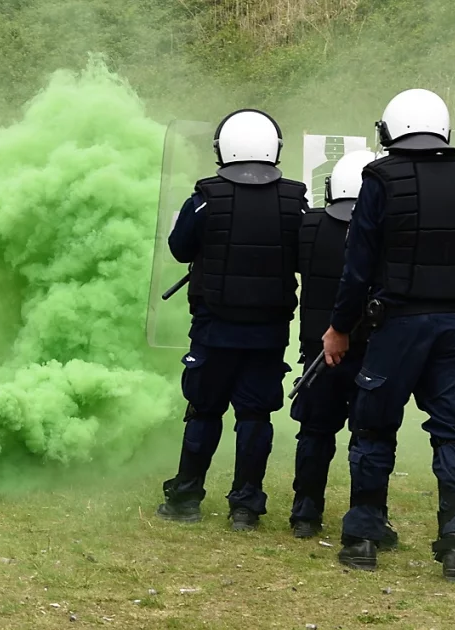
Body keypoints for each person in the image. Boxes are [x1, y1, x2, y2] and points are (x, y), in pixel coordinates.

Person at [321, 88, 455, 581]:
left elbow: (357, 266)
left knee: (374, 428)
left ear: (389, 130)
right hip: (454, 325)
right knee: (453, 432)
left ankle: (362, 539)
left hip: (397, 325)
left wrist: (339, 327)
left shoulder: (379, 177)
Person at [156, 109, 307, 532]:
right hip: (269, 333)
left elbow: (180, 249)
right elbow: (305, 258)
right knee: (255, 417)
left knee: (204, 412)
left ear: (223, 148)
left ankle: (186, 498)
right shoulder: (296, 201)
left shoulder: (205, 197)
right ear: (274, 148)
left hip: (213, 330)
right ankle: (245, 507)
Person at [289, 149, 397, 549]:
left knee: (314, 432)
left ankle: (305, 513)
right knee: (370, 437)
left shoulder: (310, 225)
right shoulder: (389, 229)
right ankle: (370, 518)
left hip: (320, 351)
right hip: (373, 352)